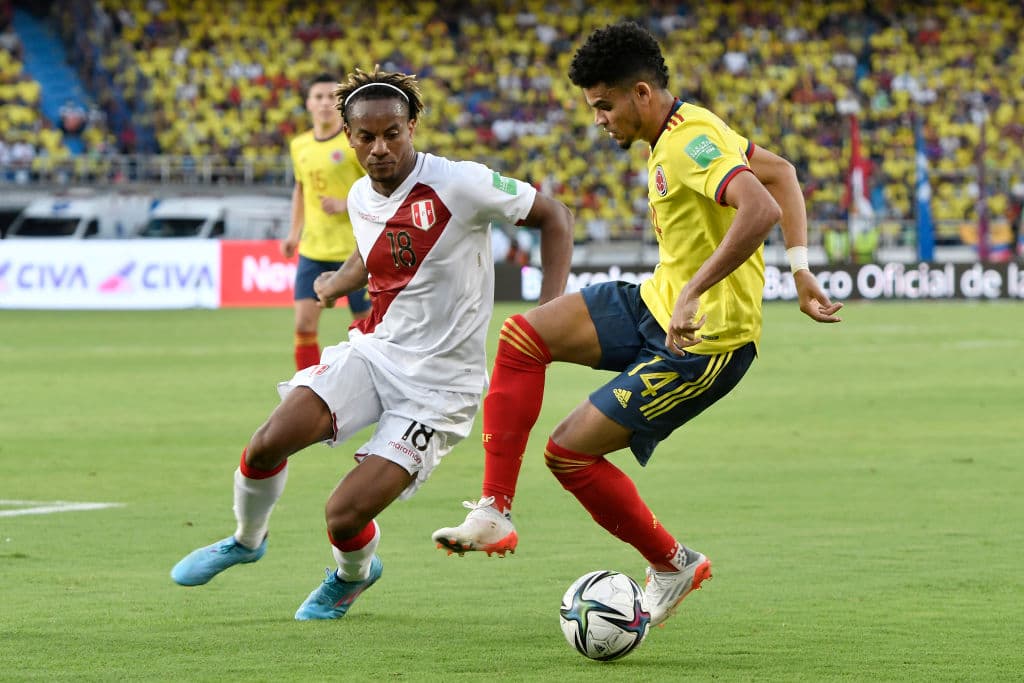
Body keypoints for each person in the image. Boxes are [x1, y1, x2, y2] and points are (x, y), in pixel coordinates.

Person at [431, 21, 843, 628]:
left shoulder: (688, 141)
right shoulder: (685, 127)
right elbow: (779, 170)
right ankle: (493, 511)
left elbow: (760, 206)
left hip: (704, 345)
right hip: (655, 303)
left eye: (604, 105)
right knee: (523, 336)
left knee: (568, 454)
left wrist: (696, 290)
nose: (599, 120)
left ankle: (673, 565)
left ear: (642, 93)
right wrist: (800, 268)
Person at [169, 66, 574, 620]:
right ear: (349, 136)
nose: (380, 147)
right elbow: (372, 250)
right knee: (267, 442)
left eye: (392, 134)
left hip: (439, 390)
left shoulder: (459, 183)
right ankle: (246, 539)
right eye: (367, 136)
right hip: (376, 353)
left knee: (343, 514)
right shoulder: (361, 194)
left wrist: (547, 313)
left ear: (412, 128)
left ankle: (351, 576)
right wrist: (337, 282)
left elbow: (556, 216)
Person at [283, 73, 371, 371]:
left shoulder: (354, 143)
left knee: (368, 329)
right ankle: (308, 388)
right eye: (318, 97)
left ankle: (377, 384)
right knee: (303, 325)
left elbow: (378, 187)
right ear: (308, 103)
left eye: (331, 97)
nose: (324, 103)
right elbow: (300, 189)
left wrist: (345, 203)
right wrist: (293, 233)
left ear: (341, 104)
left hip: (355, 252)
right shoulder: (299, 145)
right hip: (314, 250)